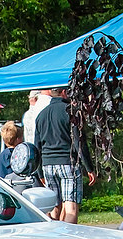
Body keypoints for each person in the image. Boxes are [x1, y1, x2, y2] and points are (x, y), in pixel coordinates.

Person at [35, 87, 96, 223]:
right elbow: (79, 142)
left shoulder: (41, 115)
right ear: (64, 92)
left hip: (47, 164)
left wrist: (39, 173)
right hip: (68, 163)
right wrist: (89, 168)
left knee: (53, 207)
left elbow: (37, 147)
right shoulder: (71, 112)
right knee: (71, 209)